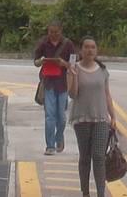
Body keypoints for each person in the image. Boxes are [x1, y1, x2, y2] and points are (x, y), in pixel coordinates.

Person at [67, 38, 117, 197]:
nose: (89, 50)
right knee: (85, 157)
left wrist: (113, 116)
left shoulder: (102, 70)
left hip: (101, 119)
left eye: (93, 47)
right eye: (86, 47)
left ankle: (101, 193)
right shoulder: (74, 68)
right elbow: (72, 94)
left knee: (98, 156)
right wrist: (74, 76)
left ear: (96, 50)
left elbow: (107, 95)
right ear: (81, 51)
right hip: (82, 118)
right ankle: (85, 192)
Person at [33, 21, 77, 155]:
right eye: (50, 32)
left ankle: (59, 137)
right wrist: (42, 61)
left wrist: (63, 63)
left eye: (56, 32)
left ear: (61, 31)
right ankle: (50, 146)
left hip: (63, 84)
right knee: (49, 116)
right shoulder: (43, 43)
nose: (53, 35)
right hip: (48, 83)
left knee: (61, 117)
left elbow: (73, 64)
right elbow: (35, 62)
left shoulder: (68, 44)